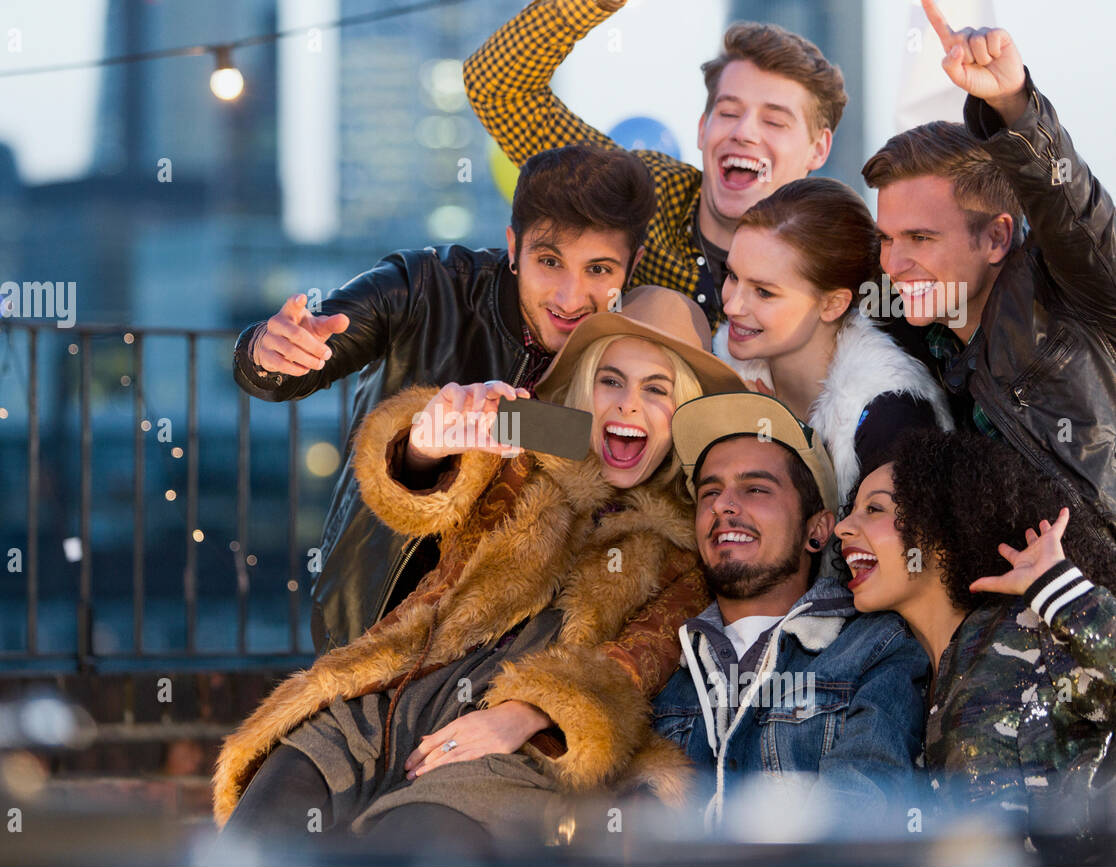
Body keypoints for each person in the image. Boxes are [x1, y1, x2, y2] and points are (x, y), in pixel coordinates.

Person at [214, 287, 748, 854]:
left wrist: (529, 713)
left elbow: (643, 657)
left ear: (685, 410)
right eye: (610, 380)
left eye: (656, 389)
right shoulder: (538, 446)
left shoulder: (691, 538)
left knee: (419, 846)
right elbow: (426, 481)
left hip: (520, 746)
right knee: (257, 836)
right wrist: (425, 440)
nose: (627, 406)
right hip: (397, 688)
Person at [234, 144, 665, 654]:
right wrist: (270, 350)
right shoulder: (424, 287)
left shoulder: (637, 346)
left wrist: (524, 422)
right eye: (549, 262)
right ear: (512, 246)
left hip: (521, 646)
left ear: (631, 265)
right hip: (376, 614)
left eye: (598, 270)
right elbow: (290, 368)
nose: (570, 298)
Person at [862, 0, 1116, 552]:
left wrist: (1012, 102)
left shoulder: (1069, 288)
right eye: (887, 239)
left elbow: (1075, 213)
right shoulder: (918, 345)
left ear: (998, 237)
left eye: (921, 239)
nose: (893, 263)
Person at [465, 0, 846, 331]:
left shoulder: (840, 261)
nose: (744, 132)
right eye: (729, 112)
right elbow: (497, 87)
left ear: (818, 149)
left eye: (774, 121)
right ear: (702, 129)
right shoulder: (641, 191)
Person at [651, 392, 929, 835]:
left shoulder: (874, 649)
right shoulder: (659, 659)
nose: (723, 506)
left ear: (817, 530)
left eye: (755, 488)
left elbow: (857, 820)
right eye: (710, 491)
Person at [834, 430, 1116, 859]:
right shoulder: (902, 682)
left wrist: (1059, 587)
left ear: (939, 526)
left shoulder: (1030, 624)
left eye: (874, 509)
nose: (842, 527)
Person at [711, 177, 952, 503]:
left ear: (832, 304)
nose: (731, 305)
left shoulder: (890, 415)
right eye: (732, 276)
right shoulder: (717, 372)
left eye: (764, 292)